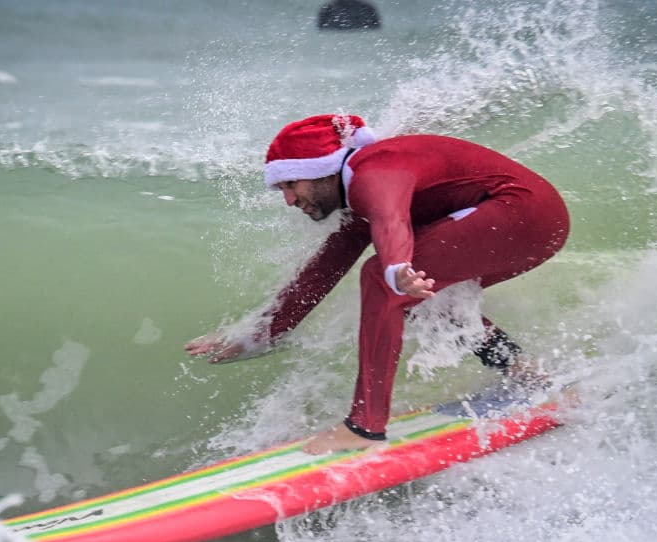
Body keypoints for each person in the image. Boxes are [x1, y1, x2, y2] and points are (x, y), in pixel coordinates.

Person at [186, 114, 569, 454]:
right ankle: (527, 373)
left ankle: (365, 426)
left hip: (520, 211)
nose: (289, 200)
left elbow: (391, 223)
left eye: (291, 184)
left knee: (383, 281)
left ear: (321, 169)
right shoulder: (356, 190)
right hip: (536, 219)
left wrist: (397, 267)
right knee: (424, 298)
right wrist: (262, 333)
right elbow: (324, 270)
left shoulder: (374, 174)